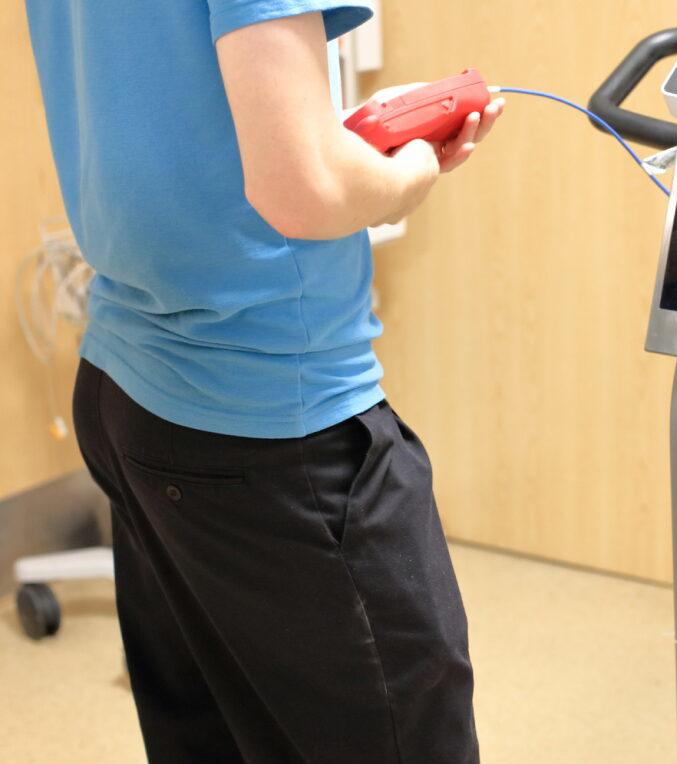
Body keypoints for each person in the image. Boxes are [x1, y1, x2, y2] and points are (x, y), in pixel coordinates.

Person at [26, 2, 503, 761]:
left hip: (128, 388)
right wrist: (408, 171)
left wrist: (328, 137)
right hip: (270, 422)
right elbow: (304, 189)